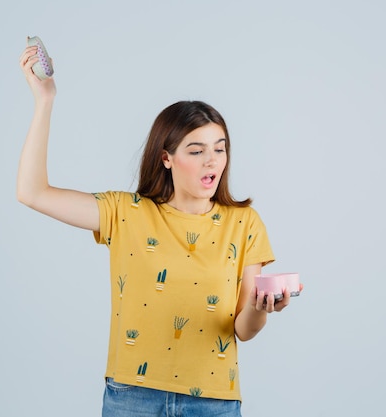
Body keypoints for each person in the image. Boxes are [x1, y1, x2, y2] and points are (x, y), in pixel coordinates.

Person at [18, 44, 299, 417]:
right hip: (132, 398)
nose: (212, 159)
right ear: (166, 158)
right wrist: (45, 101)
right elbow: (32, 192)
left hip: (213, 402)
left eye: (220, 148)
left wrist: (261, 309)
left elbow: (243, 330)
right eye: (196, 150)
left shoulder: (244, 223)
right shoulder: (126, 213)